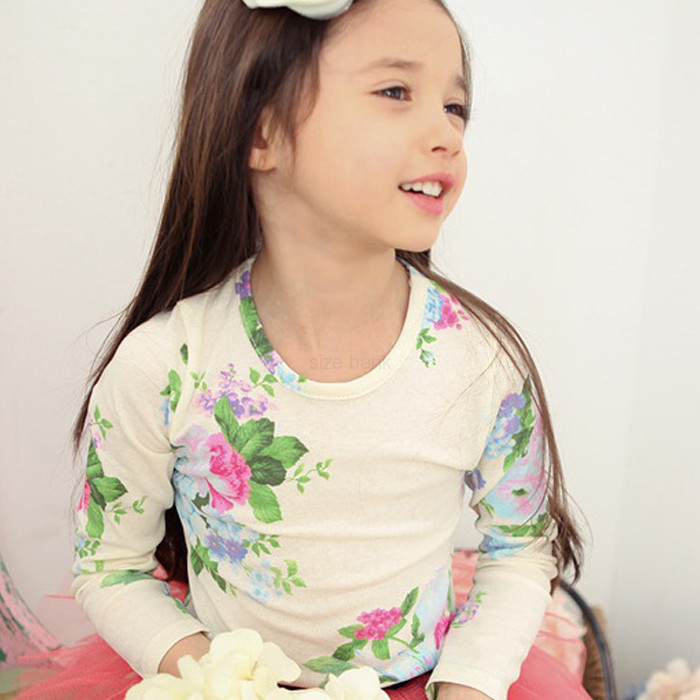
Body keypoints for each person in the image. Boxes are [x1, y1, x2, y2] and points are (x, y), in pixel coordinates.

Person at [12, 0, 590, 698]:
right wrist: (213, 675)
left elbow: (520, 551)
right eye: (396, 91)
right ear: (262, 132)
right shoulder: (165, 366)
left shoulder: (481, 362)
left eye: (455, 106)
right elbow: (110, 568)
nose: (446, 134)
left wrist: (470, 685)